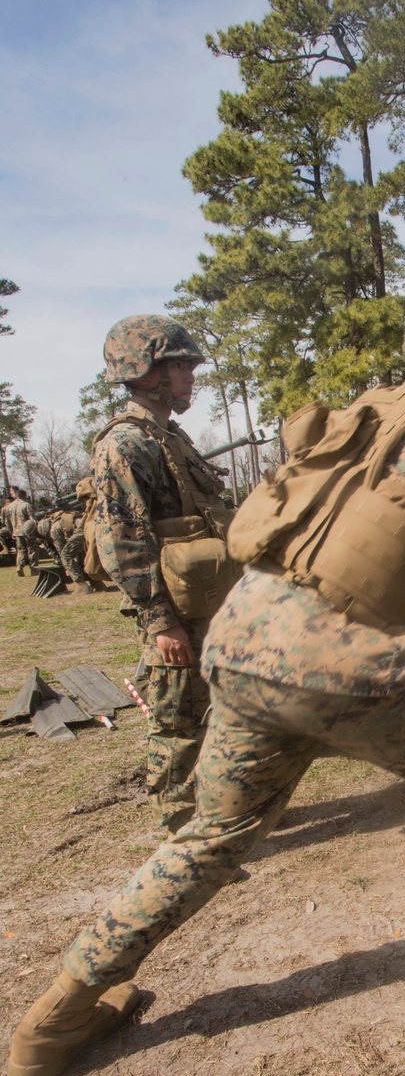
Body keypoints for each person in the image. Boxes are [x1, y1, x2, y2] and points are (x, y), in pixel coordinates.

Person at [7, 263, 405, 1076]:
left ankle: (53, 1018)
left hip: (244, 644)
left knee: (209, 839)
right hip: (357, 667)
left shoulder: (366, 413)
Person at [88, 315, 236, 831]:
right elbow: (123, 539)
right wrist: (159, 621)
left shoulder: (170, 436)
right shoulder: (125, 444)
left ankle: (215, 810)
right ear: (146, 371)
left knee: (217, 712)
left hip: (206, 605)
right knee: (178, 720)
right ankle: (181, 829)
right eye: (180, 366)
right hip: (175, 614)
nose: (191, 376)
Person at [5, 488, 37, 576]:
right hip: (28, 532)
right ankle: (34, 569)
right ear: (23, 496)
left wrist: (11, 531)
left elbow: (7, 522)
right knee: (32, 549)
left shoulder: (9, 507)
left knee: (21, 550)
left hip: (17, 532)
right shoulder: (26, 505)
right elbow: (33, 519)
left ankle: (20, 566)